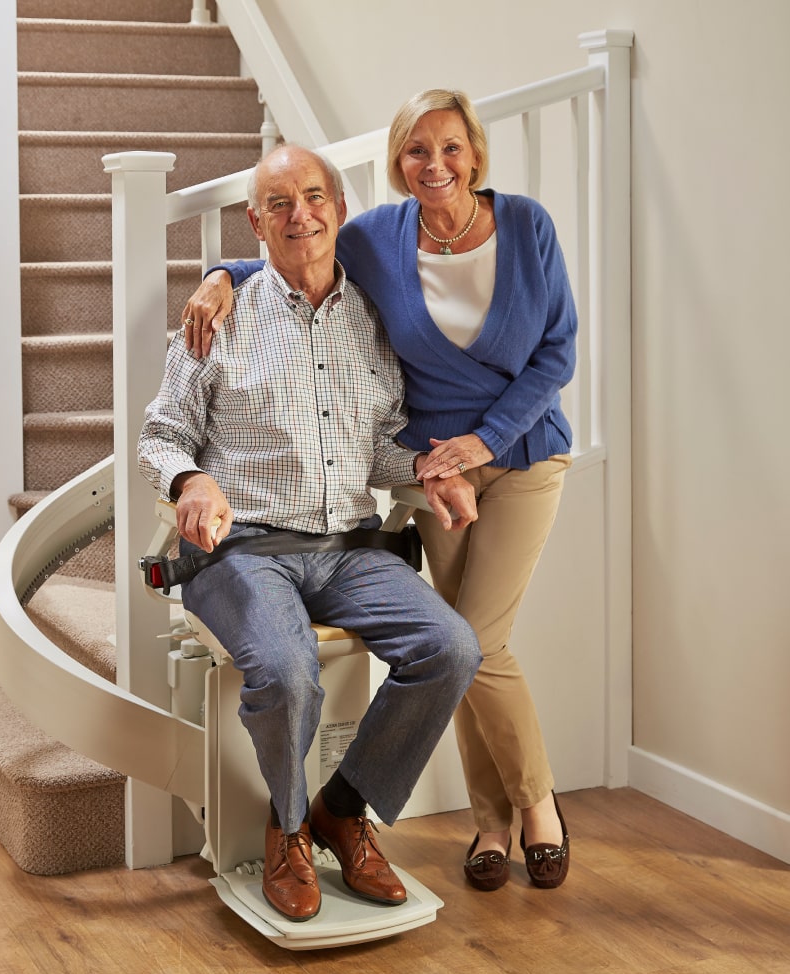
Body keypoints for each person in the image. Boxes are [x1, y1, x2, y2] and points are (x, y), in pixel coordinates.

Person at [180, 89, 577, 892]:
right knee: (401, 653)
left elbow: (554, 354)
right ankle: (446, 823)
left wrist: (459, 459)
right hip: (355, 496)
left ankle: (489, 807)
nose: (434, 164)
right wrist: (223, 275)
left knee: (467, 643)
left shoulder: (521, 229)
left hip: (505, 458)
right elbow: (292, 256)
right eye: (415, 150)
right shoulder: (360, 247)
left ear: (474, 153)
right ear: (396, 163)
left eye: (450, 147)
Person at [138, 143, 482, 923]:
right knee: (289, 671)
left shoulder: (369, 317)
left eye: (315, 196)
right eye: (282, 203)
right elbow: (159, 435)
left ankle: (343, 805)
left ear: (338, 207)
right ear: (255, 223)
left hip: (347, 545)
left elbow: (384, 437)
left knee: (452, 648)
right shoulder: (217, 318)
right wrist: (190, 482)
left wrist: (433, 470)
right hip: (243, 549)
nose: (303, 214)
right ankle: (288, 825)